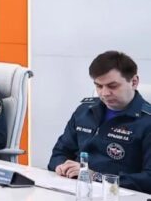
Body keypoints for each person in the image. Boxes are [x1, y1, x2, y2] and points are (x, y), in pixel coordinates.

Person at [48, 50, 151, 192]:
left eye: (113, 86)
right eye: (99, 86)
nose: (104, 93)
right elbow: (59, 153)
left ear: (134, 82)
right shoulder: (84, 111)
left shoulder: (147, 121)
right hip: (74, 190)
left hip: (119, 196)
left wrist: (96, 177)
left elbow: (148, 179)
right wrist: (61, 167)